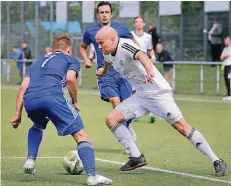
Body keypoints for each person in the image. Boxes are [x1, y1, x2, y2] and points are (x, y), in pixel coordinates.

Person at [95, 26, 227, 176]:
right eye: (98, 43)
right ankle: (136, 156)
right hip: (141, 96)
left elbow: (141, 55)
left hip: (158, 93)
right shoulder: (108, 52)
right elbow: (108, 61)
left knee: (182, 127)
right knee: (112, 119)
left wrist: (149, 69)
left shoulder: (125, 45)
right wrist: (103, 71)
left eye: (102, 43)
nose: (99, 47)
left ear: (113, 39)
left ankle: (216, 160)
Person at [10, 34, 112, 186]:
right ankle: (92, 176)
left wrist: (17, 114)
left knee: (37, 125)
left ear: (52, 49)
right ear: (69, 50)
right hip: (53, 98)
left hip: (30, 100)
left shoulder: (38, 61)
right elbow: (71, 79)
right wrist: (75, 101)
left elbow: (22, 89)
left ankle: (30, 161)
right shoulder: (70, 60)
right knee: (80, 135)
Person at [79, 1, 137, 153]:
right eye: (101, 12)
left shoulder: (121, 28)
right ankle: (129, 143)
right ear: (98, 15)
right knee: (115, 102)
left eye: (107, 12)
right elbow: (82, 47)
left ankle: (127, 127)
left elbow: (134, 44)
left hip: (123, 74)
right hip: (104, 74)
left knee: (128, 108)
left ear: (111, 14)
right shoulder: (91, 31)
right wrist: (86, 59)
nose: (104, 15)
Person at [131, 16, 156, 123]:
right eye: (136, 22)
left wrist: (153, 56)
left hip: (145, 66)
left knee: (149, 89)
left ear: (144, 24)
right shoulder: (130, 35)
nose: (139, 24)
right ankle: (135, 113)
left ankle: (151, 112)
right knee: (134, 90)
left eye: (141, 22)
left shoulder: (148, 37)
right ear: (134, 24)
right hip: (133, 65)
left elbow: (150, 50)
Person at [220, 36, 231, 101]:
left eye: (226, 41)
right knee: (226, 79)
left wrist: (224, 56)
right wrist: (224, 56)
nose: (225, 43)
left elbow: (227, 55)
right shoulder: (225, 49)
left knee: (229, 79)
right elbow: (221, 57)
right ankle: (228, 93)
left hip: (230, 65)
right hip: (226, 65)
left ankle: (230, 94)